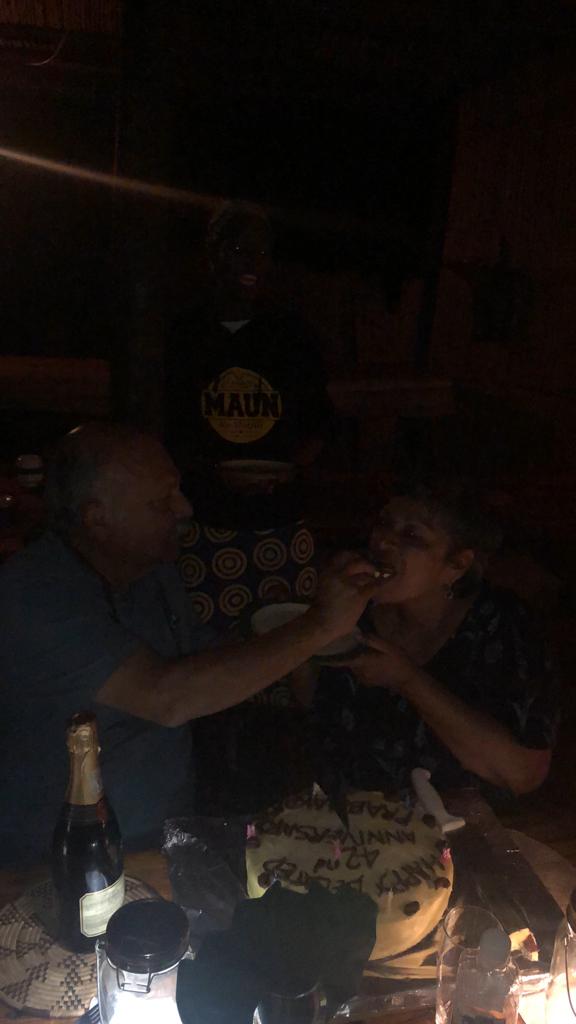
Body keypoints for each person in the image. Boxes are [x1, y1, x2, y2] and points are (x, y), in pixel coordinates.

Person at [0, 424, 378, 866]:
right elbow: (167, 696)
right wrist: (319, 625)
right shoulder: (35, 594)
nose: (185, 509)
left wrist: (288, 633)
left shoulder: (149, 570)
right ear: (96, 518)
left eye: (178, 491)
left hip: (160, 838)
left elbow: (200, 659)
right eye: (162, 501)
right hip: (58, 859)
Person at [163, 202, 334, 811]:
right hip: (204, 524)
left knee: (287, 650)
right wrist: (210, 472)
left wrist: (286, 469)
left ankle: (285, 786)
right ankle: (210, 779)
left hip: (279, 526)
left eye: (260, 252)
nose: (250, 263)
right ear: (211, 257)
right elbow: (165, 428)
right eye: (236, 249)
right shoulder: (184, 334)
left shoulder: (293, 335)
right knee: (209, 650)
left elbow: (319, 425)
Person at [312, 478, 559, 797]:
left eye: (412, 536)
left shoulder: (504, 626)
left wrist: (407, 679)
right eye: (384, 523)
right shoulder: (354, 607)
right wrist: (313, 625)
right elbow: (315, 716)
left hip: (451, 822)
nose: (383, 541)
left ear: (456, 565)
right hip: (341, 815)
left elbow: (522, 775)